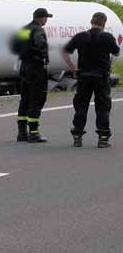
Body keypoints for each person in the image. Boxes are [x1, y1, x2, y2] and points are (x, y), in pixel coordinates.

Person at [62, 12, 121, 148]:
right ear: (104, 23)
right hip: (101, 77)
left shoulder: (80, 36)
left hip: (83, 76)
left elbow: (65, 51)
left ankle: (77, 136)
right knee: (103, 107)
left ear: (91, 21)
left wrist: (73, 68)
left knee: (81, 106)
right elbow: (116, 52)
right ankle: (103, 138)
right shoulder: (107, 37)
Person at [14, 8, 53, 143]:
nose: (46, 20)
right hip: (36, 69)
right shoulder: (38, 30)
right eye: (46, 17)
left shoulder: (25, 29)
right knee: (37, 99)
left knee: (25, 99)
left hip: (24, 68)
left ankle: (21, 133)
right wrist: (41, 56)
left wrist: (25, 54)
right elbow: (40, 44)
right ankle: (34, 133)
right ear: (41, 18)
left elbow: (16, 45)